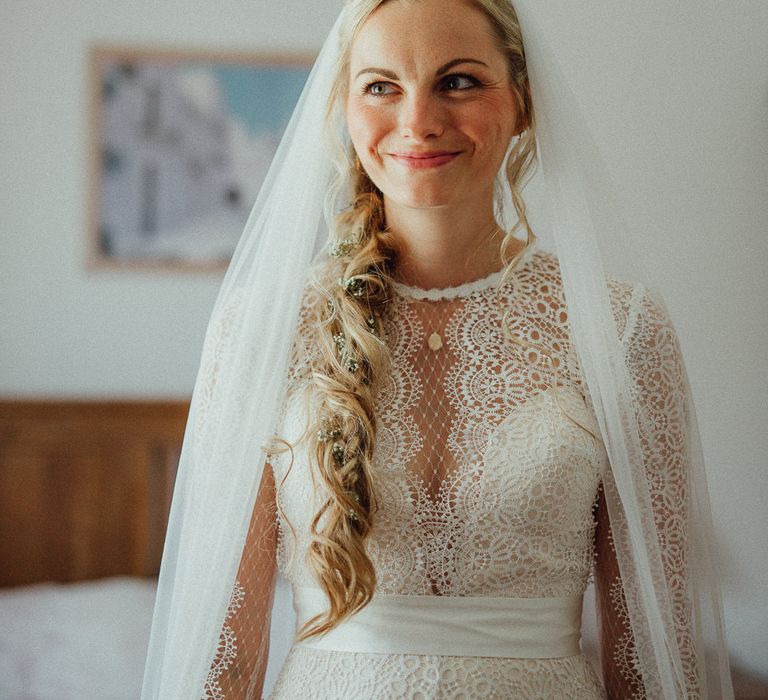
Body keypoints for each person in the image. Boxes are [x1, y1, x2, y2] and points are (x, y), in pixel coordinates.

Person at [141, 1, 734, 698]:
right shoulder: (262, 329)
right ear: (345, 106)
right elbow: (224, 653)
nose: (418, 121)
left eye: (458, 81)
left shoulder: (623, 328)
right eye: (382, 85)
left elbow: (651, 658)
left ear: (523, 103)